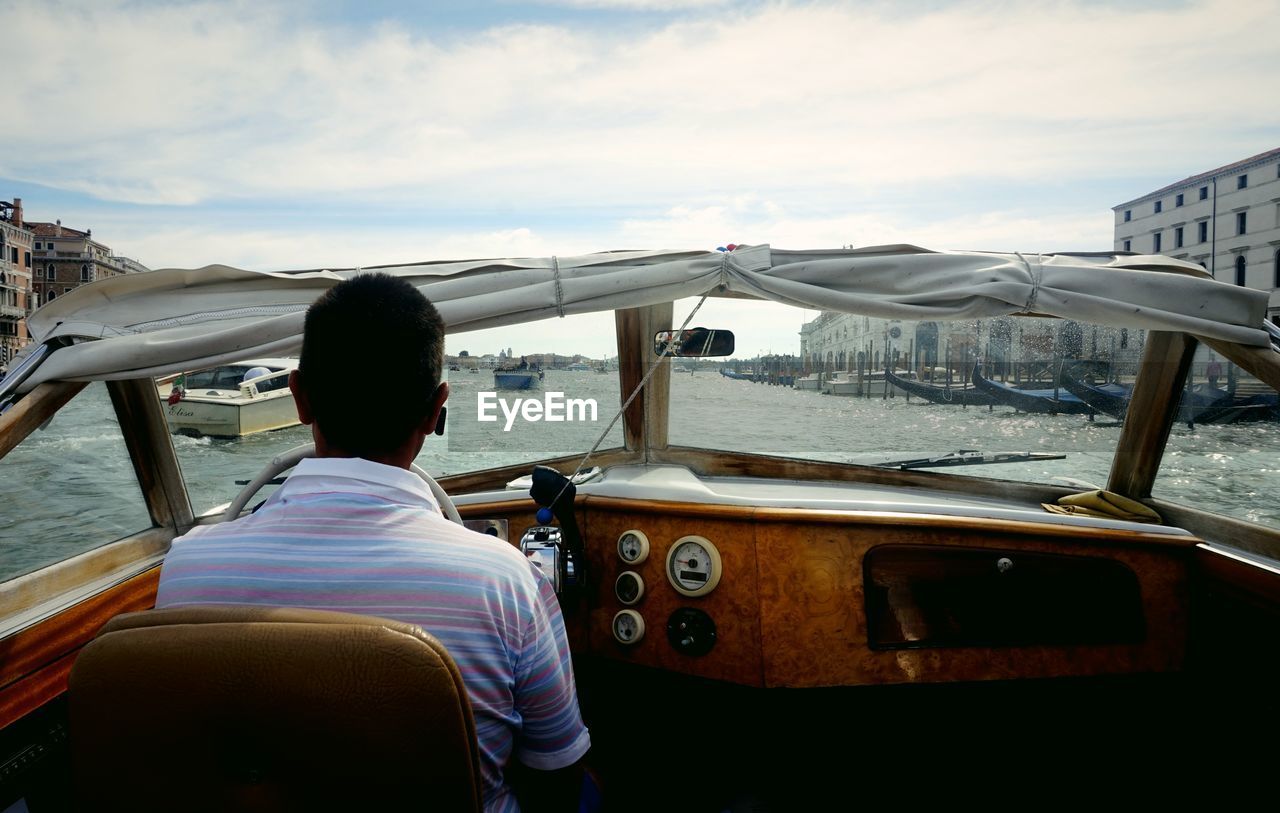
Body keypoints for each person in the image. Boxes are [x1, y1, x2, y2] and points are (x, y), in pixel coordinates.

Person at [155, 273, 590, 812]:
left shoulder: (186, 567)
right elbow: (555, 774)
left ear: (299, 398)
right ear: (436, 411)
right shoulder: (505, 582)